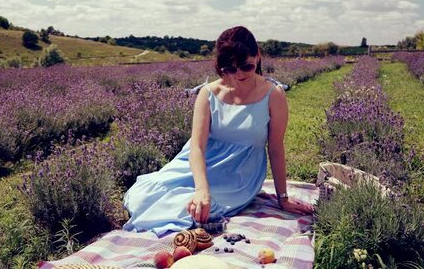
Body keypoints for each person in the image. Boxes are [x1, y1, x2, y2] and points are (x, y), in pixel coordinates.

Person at [122, 26, 313, 236]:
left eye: (246, 66)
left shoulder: (273, 95)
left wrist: (282, 198)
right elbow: (197, 146)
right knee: (144, 195)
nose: (238, 74)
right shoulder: (209, 93)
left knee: (193, 209)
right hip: (197, 167)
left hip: (237, 177)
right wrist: (201, 189)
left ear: (258, 56)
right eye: (230, 69)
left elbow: (276, 148)